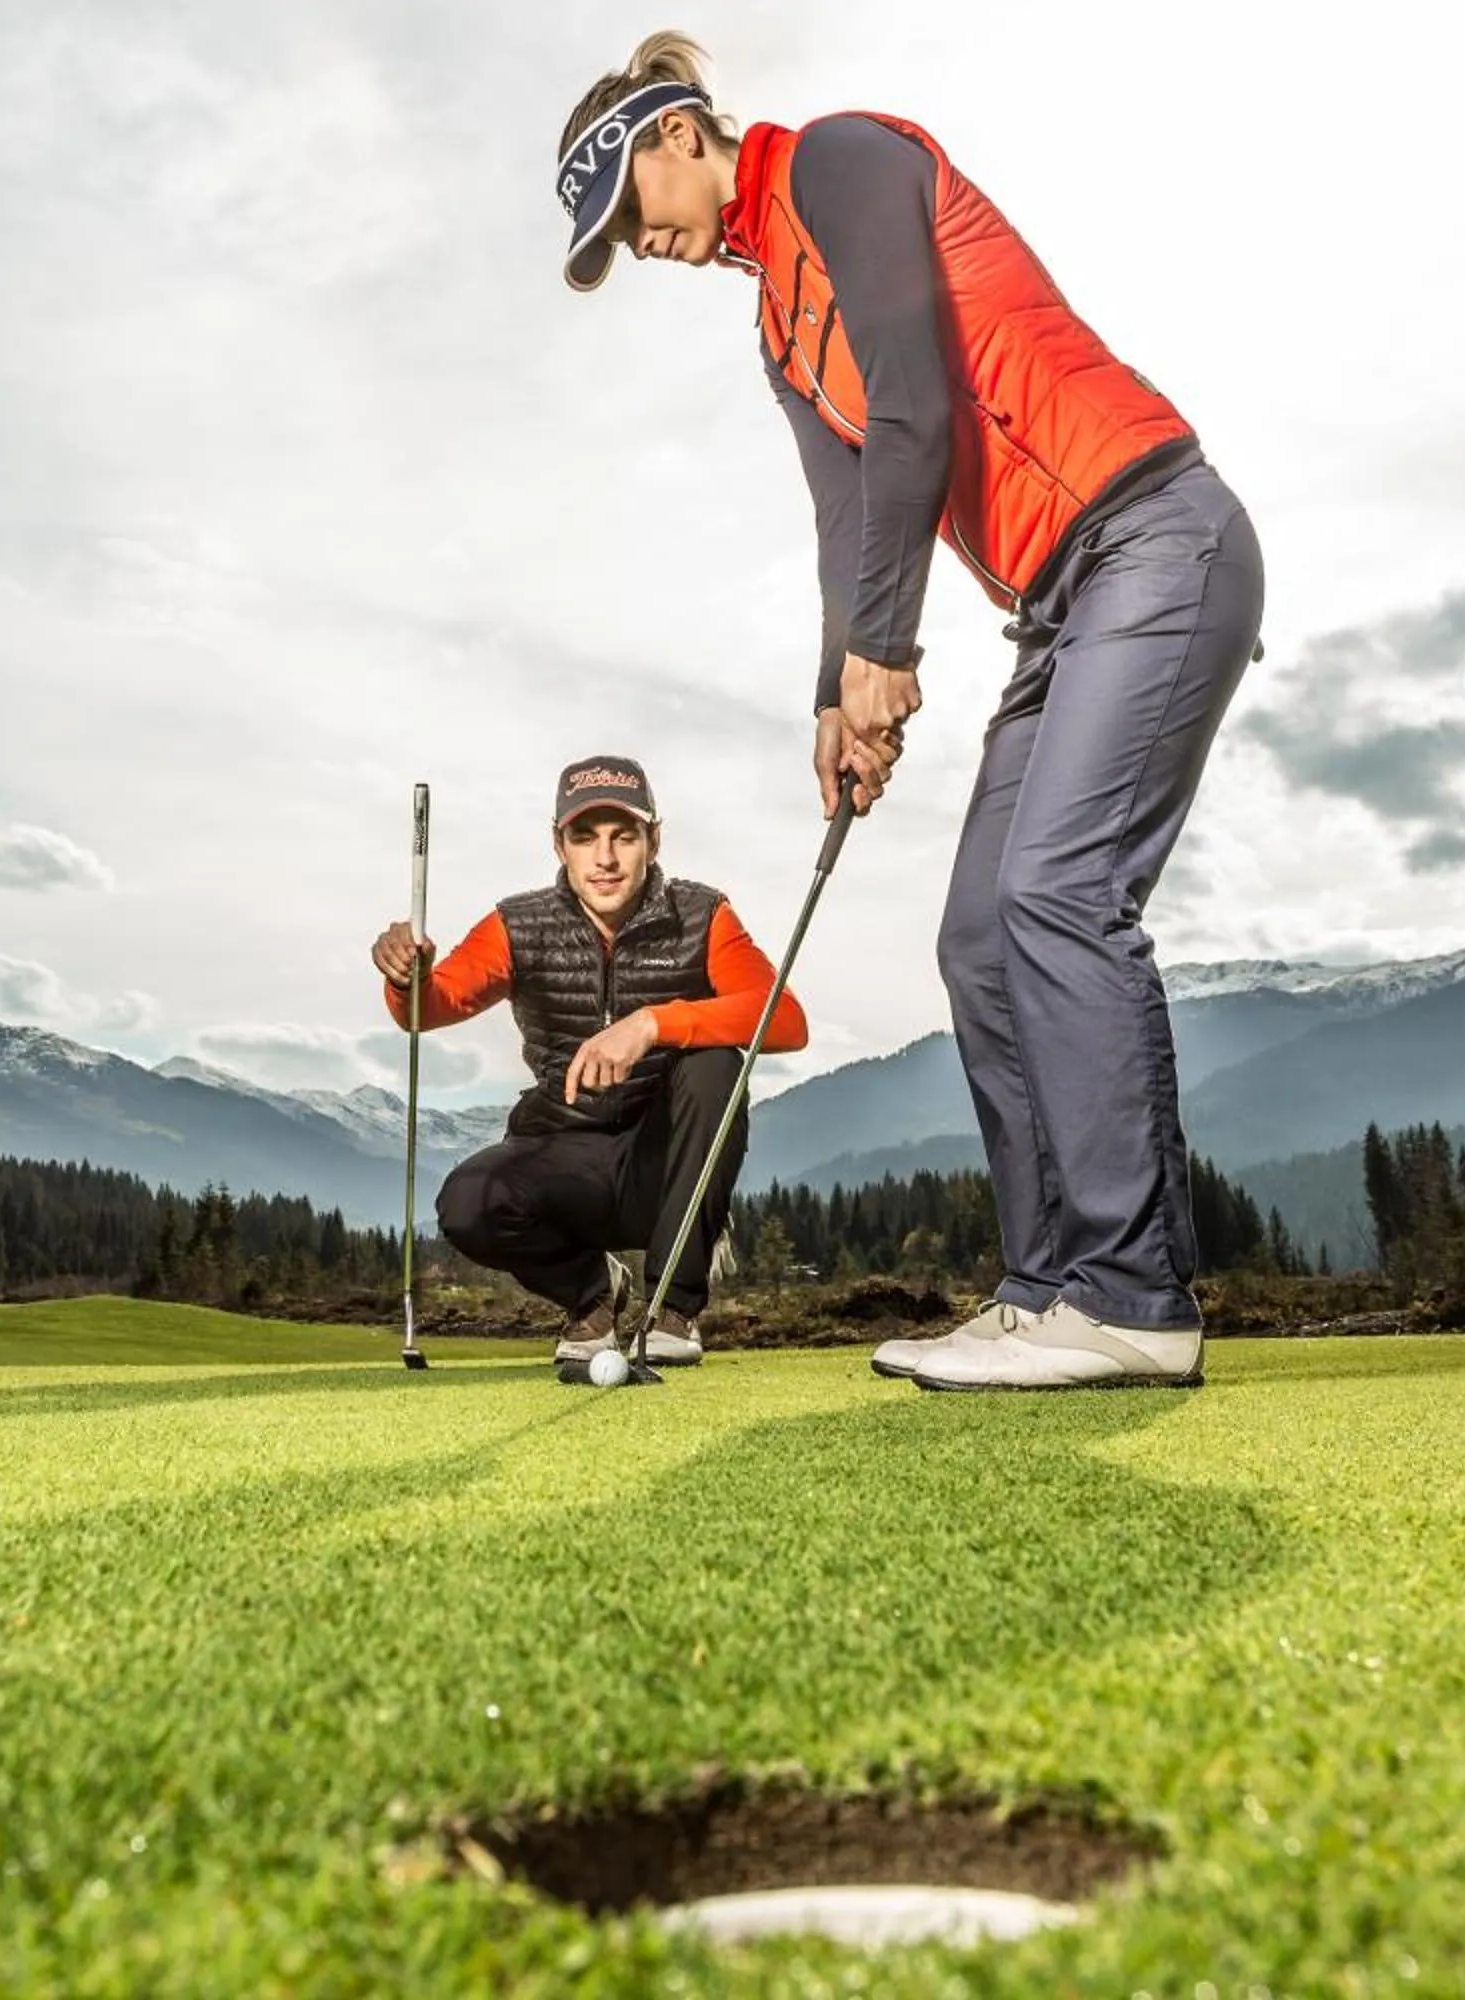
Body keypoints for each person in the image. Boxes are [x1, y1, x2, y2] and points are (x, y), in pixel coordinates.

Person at [553, 34, 1266, 1391]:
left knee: (1058, 894)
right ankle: (1051, 1286)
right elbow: (849, 520)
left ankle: (1135, 1296)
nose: (637, 245)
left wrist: (891, 648)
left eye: (629, 214)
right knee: (979, 937)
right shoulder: (775, 325)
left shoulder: (841, 160)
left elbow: (920, 404)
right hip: (1061, 602)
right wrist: (839, 694)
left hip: (1157, 534)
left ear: (675, 139)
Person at [372, 755, 808, 1368]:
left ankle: (671, 1311)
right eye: (585, 837)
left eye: (623, 836)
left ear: (653, 840)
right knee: (469, 1202)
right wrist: (404, 976)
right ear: (560, 844)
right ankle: (593, 1297)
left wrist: (654, 1023)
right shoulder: (519, 924)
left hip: (664, 1168)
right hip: (564, 1155)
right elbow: (428, 1008)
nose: (604, 858)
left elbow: (785, 1019)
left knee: (716, 1065)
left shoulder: (704, 915)